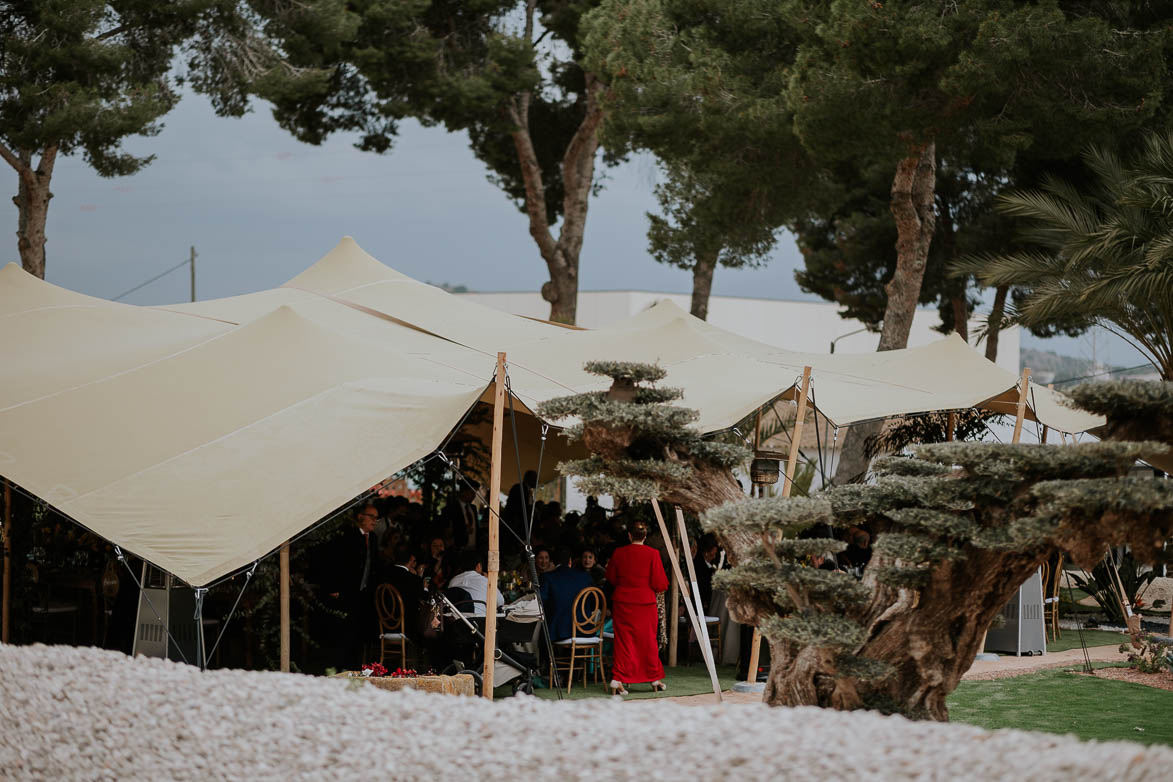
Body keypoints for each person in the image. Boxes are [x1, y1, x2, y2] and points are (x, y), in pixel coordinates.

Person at [604, 520, 670, 695]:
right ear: (645, 536)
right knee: (647, 641)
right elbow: (660, 584)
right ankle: (654, 678)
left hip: (623, 603)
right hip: (645, 604)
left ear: (629, 535)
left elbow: (611, 577)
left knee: (623, 642)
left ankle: (617, 679)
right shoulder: (653, 554)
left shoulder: (618, 553)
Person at [321, 503, 381, 670]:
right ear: (360, 517)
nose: (375, 521)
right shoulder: (346, 536)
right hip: (346, 590)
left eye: (377, 518)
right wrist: (333, 587)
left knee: (359, 630)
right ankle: (339, 666)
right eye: (372, 517)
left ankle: (355, 666)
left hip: (364, 592)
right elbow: (334, 562)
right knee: (343, 629)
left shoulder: (373, 538)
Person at [539, 547, 594, 642]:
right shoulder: (585, 576)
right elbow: (593, 603)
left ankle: (547, 657)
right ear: (570, 561)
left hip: (558, 631)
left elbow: (541, 604)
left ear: (554, 562)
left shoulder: (547, 577)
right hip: (585, 629)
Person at [446, 550, 505, 617]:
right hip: (478, 621)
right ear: (479, 566)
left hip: (457, 621)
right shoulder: (485, 581)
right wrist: (489, 581)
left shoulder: (453, 581)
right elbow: (500, 602)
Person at [385, 547, 426, 641]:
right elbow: (423, 598)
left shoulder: (381, 574)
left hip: (379, 624)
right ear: (410, 560)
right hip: (405, 628)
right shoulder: (414, 579)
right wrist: (424, 586)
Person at [694, 533, 720, 611]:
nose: (714, 557)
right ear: (706, 553)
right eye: (712, 554)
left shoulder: (706, 565)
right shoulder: (701, 567)